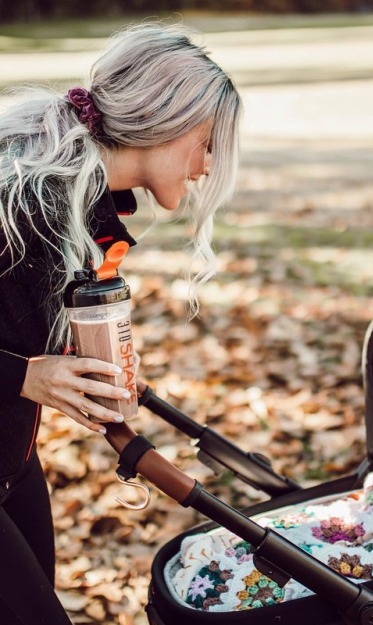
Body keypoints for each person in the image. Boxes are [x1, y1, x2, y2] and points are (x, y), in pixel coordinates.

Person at [0, 22, 241, 624]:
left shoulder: (80, 204)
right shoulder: (23, 201)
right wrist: (24, 376)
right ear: (167, 121)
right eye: (208, 143)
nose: (208, 167)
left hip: (12, 460)